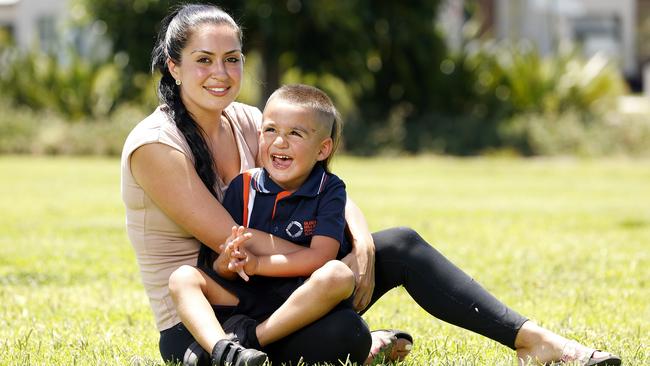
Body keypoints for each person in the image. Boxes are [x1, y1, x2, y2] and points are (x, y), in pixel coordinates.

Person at [120, 3, 621, 366]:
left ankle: (534, 340)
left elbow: (325, 187)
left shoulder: (250, 120)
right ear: (174, 65)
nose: (221, 73)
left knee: (397, 244)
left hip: (287, 289)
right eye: (204, 59)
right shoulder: (156, 146)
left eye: (232, 58)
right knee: (342, 335)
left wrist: (358, 245)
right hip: (211, 319)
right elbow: (233, 239)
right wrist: (328, 252)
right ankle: (265, 353)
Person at [171, 83, 361, 365]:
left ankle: (249, 341)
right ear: (259, 136)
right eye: (270, 130)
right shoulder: (243, 186)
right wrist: (231, 262)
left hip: (296, 301)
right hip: (245, 298)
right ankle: (222, 349)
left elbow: (322, 257)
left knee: (339, 276)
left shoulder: (330, 188)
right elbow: (219, 266)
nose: (280, 142)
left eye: (295, 133)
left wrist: (258, 264)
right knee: (183, 278)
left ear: (323, 149)